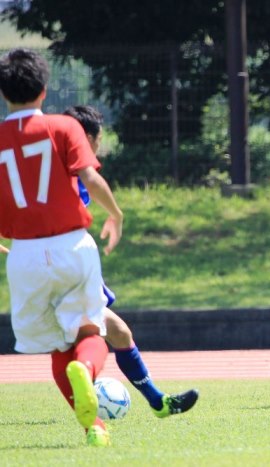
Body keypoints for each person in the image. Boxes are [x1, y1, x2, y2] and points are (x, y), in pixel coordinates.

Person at [0, 48, 123, 446]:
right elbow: (90, 176)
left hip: (23, 253)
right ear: (43, 89)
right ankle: (86, 370)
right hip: (71, 245)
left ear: (4, 93)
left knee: (57, 344)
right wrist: (115, 214)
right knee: (90, 332)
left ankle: (94, 428)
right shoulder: (64, 126)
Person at [63, 105, 199, 419]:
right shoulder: (72, 168)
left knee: (118, 332)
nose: (98, 148)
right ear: (85, 138)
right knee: (84, 340)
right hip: (67, 262)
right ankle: (90, 398)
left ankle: (157, 402)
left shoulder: (50, 167)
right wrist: (116, 215)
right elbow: (91, 180)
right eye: (98, 140)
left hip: (64, 261)